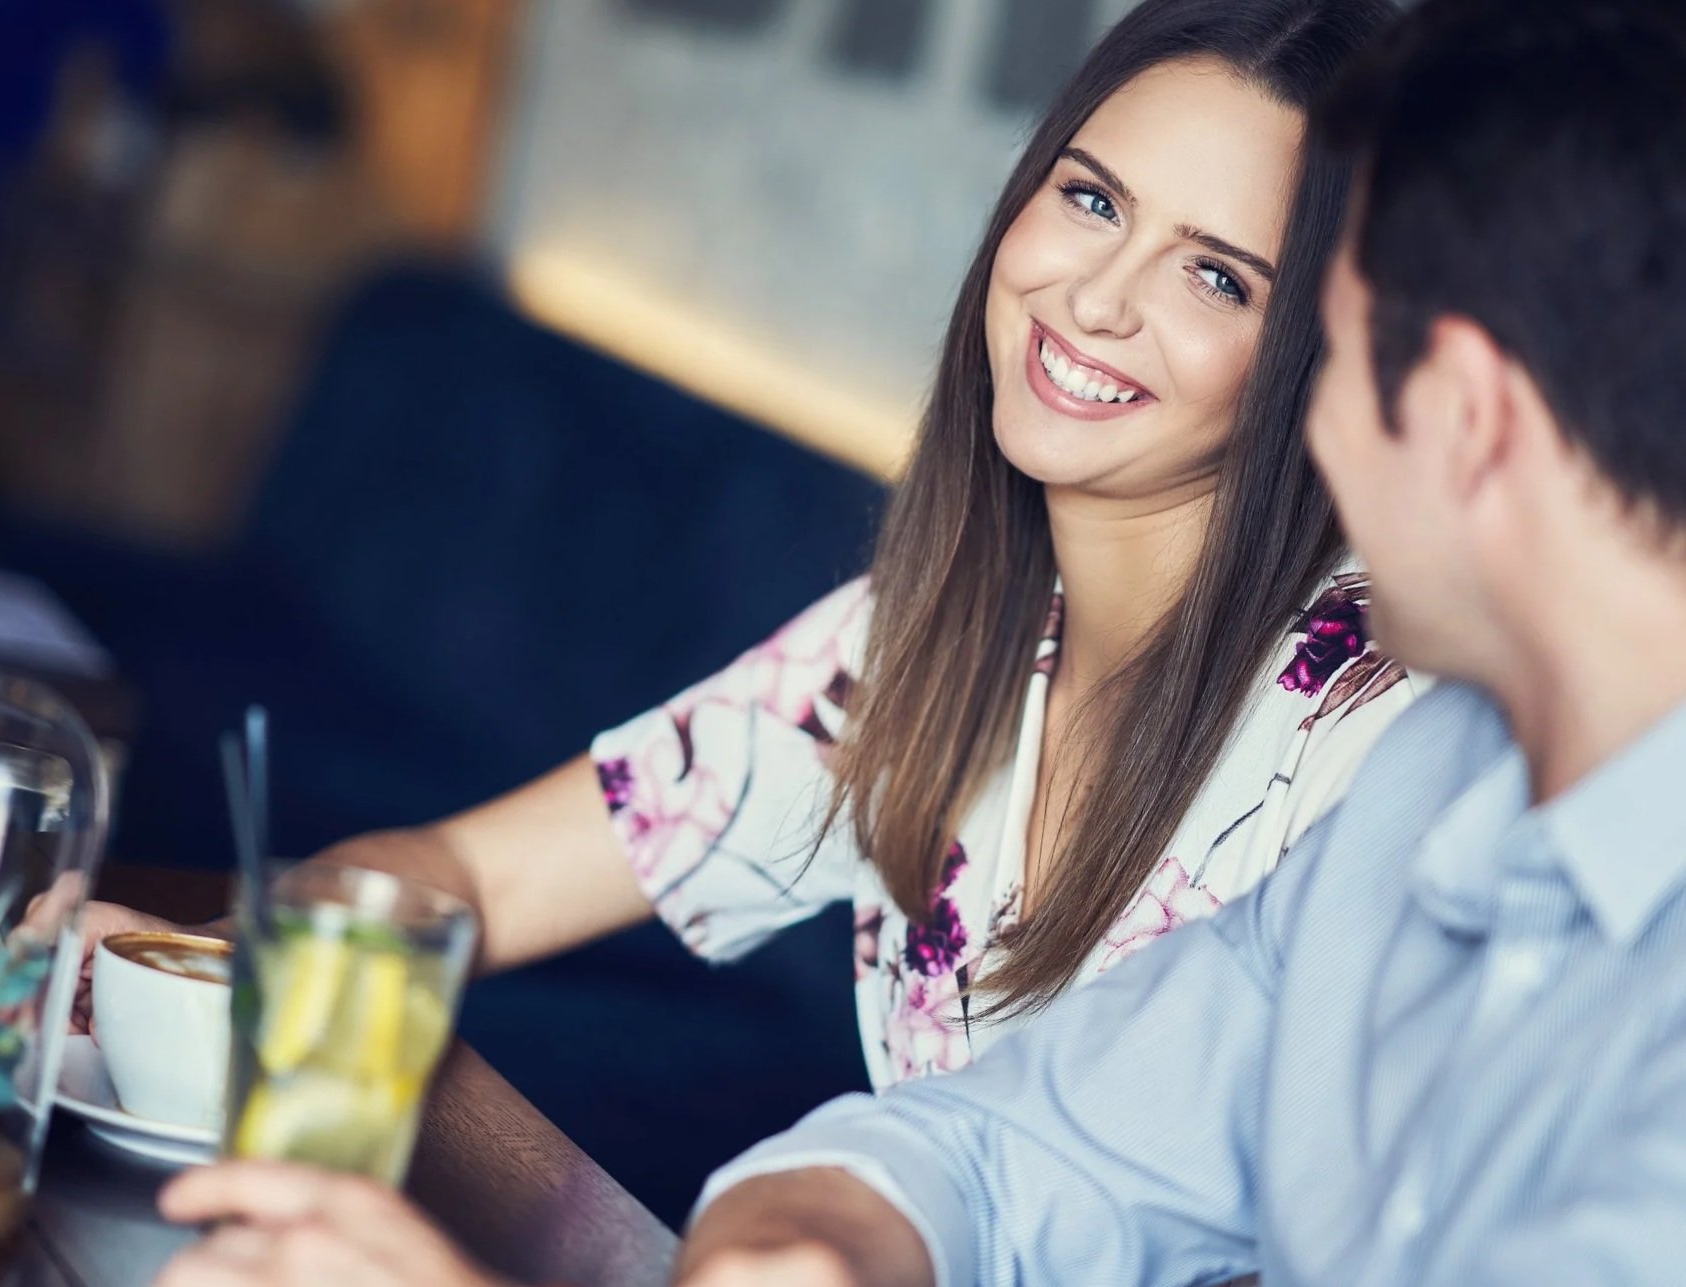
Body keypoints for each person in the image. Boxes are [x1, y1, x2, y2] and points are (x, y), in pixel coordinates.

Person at [142, 0, 1422, 1276]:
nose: (1095, 298)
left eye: (1216, 275)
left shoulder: (1378, 731)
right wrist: (181, 988)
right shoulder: (924, 641)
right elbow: (467, 877)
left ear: (1323, 351)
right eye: (1092, 201)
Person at [612, 0, 1686, 1281]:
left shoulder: (1376, 728)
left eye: (1324, 355)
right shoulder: (1437, 787)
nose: (1318, 439)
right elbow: (1019, 1158)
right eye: (1091, 202)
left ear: (1463, 416)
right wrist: (808, 1246)